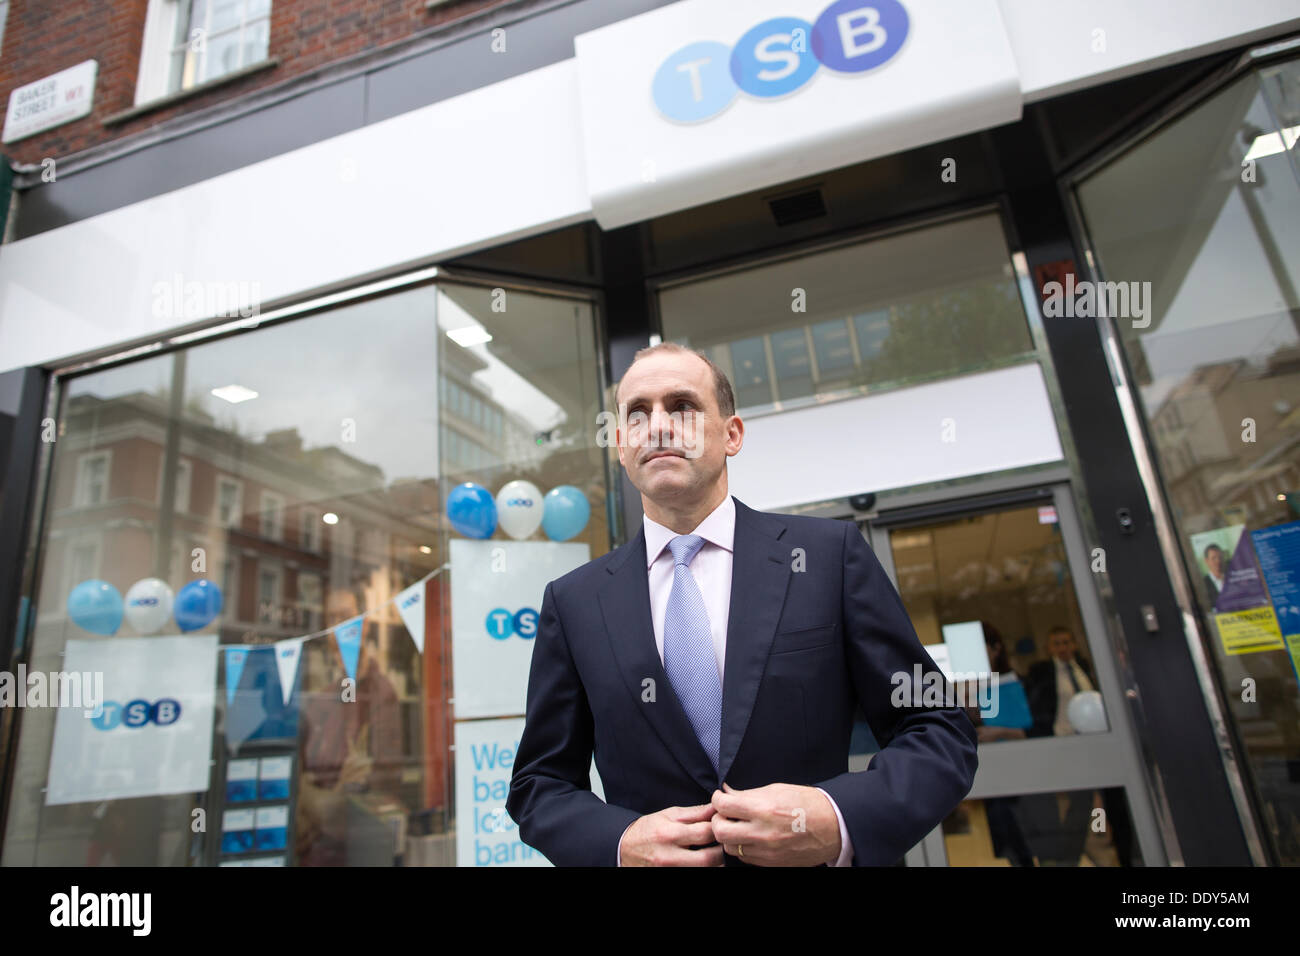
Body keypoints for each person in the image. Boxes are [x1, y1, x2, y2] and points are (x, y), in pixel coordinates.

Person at [506, 342, 978, 866]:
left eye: (682, 406)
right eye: (637, 413)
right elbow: (539, 783)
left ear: (732, 434)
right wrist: (618, 844)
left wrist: (835, 815)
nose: (658, 426)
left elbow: (936, 728)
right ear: (621, 445)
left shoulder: (826, 558)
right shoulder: (574, 603)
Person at [1202, 543, 1226, 608]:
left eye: (1220, 557)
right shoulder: (1203, 584)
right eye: (1214, 558)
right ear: (1207, 561)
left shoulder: (1233, 577)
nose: (1218, 561)